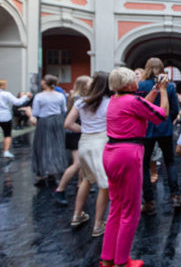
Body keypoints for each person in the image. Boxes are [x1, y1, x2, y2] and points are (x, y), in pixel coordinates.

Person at [100, 67, 169, 267]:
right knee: (131, 211)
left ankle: (107, 258)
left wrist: (154, 90)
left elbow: (140, 107)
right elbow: (160, 115)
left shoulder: (115, 100)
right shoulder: (132, 100)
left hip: (110, 152)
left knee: (116, 207)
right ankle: (122, 261)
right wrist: (163, 90)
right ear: (129, 84)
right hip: (129, 153)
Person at [64, 72, 111, 237]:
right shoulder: (110, 102)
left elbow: (68, 124)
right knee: (104, 185)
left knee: (86, 179)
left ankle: (77, 215)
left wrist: (84, 129)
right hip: (102, 142)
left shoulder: (81, 102)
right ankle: (98, 224)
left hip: (84, 142)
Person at [136, 58, 181, 214]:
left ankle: (149, 202)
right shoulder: (168, 86)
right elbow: (175, 109)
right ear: (162, 68)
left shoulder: (140, 86)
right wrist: (170, 119)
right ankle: (175, 196)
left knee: (144, 165)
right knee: (169, 162)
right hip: (164, 128)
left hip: (146, 129)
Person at [54, 75, 92, 205]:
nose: (92, 85)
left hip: (75, 133)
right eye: (89, 83)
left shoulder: (76, 98)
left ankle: (80, 184)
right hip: (75, 133)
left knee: (82, 161)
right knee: (77, 163)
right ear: (83, 86)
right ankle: (60, 189)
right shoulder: (78, 99)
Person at [29, 74, 67, 186]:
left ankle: (41, 173)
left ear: (45, 83)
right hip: (57, 120)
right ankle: (54, 171)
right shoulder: (60, 95)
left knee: (42, 145)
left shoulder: (39, 96)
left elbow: (35, 112)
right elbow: (63, 109)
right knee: (57, 145)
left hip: (44, 121)